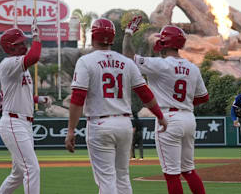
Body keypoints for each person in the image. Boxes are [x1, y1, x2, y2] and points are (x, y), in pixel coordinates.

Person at [65, 18, 167, 194]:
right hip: (124, 124)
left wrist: (71, 130)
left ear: (93, 36)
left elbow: (78, 98)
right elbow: (145, 93)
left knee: (106, 180)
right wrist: (159, 115)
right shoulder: (126, 62)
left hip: (100, 124)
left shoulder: (86, 61)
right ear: (112, 38)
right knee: (122, 178)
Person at [124, 21, 209, 194]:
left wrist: (127, 33)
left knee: (172, 174)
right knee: (189, 170)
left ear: (165, 44)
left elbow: (127, 56)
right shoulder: (193, 68)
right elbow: (203, 97)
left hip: (168, 119)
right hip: (188, 118)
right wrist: (183, 104)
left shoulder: (160, 64)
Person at [0, 21, 52, 194]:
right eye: (20, 43)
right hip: (13, 122)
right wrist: (37, 37)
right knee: (32, 169)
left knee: (18, 174)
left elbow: (22, 95)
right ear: (10, 46)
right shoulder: (9, 63)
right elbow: (34, 57)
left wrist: (39, 98)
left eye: (24, 41)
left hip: (23, 123)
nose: (24, 44)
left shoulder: (20, 67)